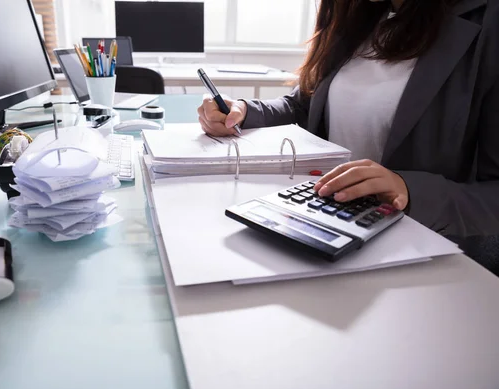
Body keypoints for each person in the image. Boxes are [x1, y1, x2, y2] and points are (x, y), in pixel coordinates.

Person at [197, 0, 499, 266]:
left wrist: (408, 190)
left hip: (422, 258)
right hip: (325, 231)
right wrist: (246, 111)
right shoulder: (362, 15)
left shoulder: (487, 21)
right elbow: (306, 104)